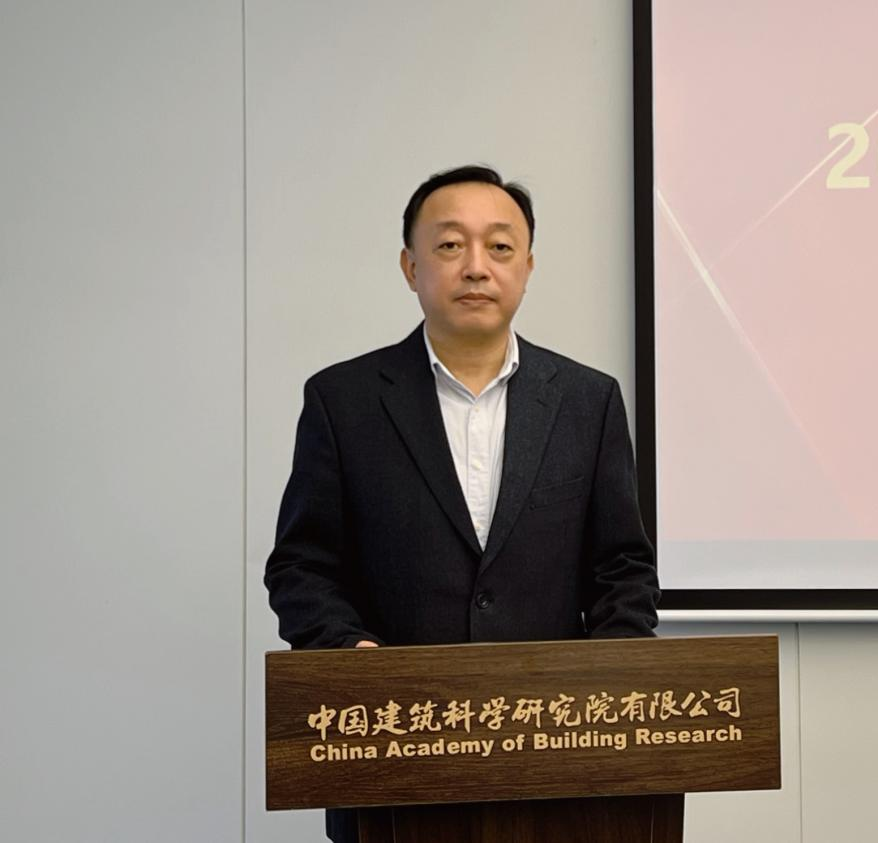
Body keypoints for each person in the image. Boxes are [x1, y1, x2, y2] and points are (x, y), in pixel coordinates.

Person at [264, 164, 659, 842]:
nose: (476, 266)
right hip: (394, 757)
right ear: (410, 266)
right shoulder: (343, 400)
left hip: (555, 762)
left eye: (499, 246)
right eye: (450, 245)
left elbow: (623, 568)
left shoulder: (587, 400)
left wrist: (603, 681)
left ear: (527, 267)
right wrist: (352, 653)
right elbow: (301, 566)